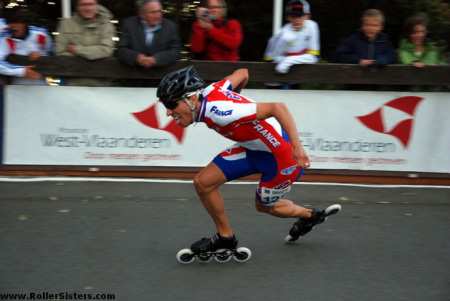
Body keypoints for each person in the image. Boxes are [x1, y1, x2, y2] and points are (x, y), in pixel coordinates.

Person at [156, 66, 340, 252]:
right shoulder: (212, 91)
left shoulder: (220, 111)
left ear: (191, 99)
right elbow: (243, 73)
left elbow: (278, 107)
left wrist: (298, 148)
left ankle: (309, 216)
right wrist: (237, 100)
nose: (168, 113)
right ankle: (226, 237)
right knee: (203, 183)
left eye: (171, 105)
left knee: (265, 206)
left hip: (282, 157)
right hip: (254, 148)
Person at [55, 0, 116, 86]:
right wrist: (94, 55)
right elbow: (60, 52)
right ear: (77, 7)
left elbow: (106, 50)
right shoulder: (66, 24)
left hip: (101, 82)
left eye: (91, 4)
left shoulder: (106, 25)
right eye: (83, 5)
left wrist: (76, 49)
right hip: (72, 82)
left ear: (97, 6)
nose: (87, 8)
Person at [116, 0, 181, 68]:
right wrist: (137, 57)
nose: (158, 15)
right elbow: (121, 50)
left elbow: (176, 51)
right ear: (142, 14)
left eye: (159, 11)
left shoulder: (170, 26)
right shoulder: (129, 24)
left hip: (161, 75)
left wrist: (156, 59)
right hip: (133, 74)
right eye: (153, 12)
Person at [264, 0, 320, 74]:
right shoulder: (282, 33)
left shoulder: (312, 26)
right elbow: (273, 59)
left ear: (307, 16)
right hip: (278, 76)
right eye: (293, 16)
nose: (296, 20)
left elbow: (314, 57)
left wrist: (288, 60)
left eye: (300, 16)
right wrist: (285, 61)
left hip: (300, 72)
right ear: (288, 18)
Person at [0, 8, 51, 85]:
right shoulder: (6, 39)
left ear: (26, 24)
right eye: (10, 23)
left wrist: (41, 55)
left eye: (18, 22)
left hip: (40, 83)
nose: (13, 26)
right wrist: (21, 71)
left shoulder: (41, 34)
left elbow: (51, 53)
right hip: (16, 85)